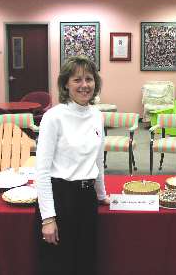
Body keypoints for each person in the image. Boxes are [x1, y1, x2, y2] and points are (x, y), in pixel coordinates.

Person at [35, 55, 110, 275]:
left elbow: (98, 161)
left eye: (89, 79)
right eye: (77, 80)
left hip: (87, 200)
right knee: (60, 266)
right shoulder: (53, 117)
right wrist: (48, 218)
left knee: (85, 262)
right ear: (65, 84)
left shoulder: (97, 116)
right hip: (60, 199)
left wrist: (101, 194)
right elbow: (42, 171)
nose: (84, 85)